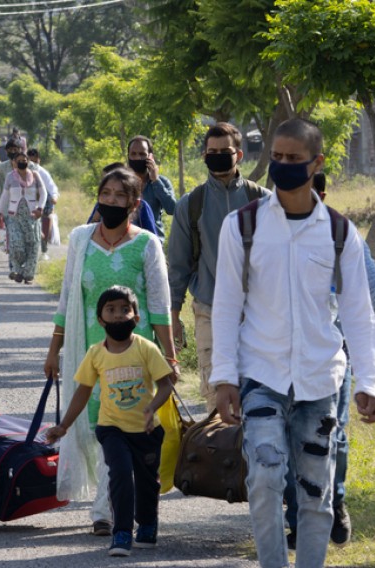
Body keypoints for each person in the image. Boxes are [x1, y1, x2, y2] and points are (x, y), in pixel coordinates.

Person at [211, 118, 375, 568]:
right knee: (265, 480)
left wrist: (369, 381)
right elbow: (226, 304)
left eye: (294, 158)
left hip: (320, 380)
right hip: (261, 376)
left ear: (317, 163)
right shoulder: (242, 225)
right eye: (277, 157)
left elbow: (358, 313)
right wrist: (224, 377)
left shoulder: (339, 232)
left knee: (316, 492)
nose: (283, 165)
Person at [44, 167, 177, 538]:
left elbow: (160, 305)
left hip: (135, 353)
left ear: (135, 204)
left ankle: (106, 510)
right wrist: (54, 350)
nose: (112, 201)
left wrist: (169, 357)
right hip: (91, 349)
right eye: (106, 194)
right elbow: (67, 299)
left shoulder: (147, 244)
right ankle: (111, 505)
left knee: (124, 426)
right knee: (97, 427)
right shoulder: (81, 239)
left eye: (121, 196)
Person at [283, 172, 375, 549]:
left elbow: (374, 286)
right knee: (288, 437)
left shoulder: (341, 237)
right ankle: (299, 518)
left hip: (332, 358)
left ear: (321, 195)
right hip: (281, 358)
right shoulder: (268, 236)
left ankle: (335, 501)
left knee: (332, 436)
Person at [47, 286, 174, 557]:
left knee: (147, 483)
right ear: (100, 319)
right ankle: (122, 532)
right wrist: (64, 425)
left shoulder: (146, 349)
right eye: (111, 309)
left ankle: (147, 525)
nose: (118, 315)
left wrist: (152, 408)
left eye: (125, 309)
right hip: (112, 428)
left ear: (136, 318)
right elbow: (82, 392)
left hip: (146, 431)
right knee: (120, 475)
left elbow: (165, 385)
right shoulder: (96, 354)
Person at [166, 122, 270, 412]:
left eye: (225, 151)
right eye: (212, 152)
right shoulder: (191, 205)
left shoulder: (263, 201)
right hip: (209, 312)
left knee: (259, 398)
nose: (218, 156)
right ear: (204, 156)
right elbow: (178, 266)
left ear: (239, 154)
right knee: (217, 400)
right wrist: (173, 317)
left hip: (258, 315)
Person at [0, 151, 46, 284]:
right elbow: (5, 196)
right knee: (16, 244)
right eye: (19, 161)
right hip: (15, 216)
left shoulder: (35, 175)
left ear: (28, 162)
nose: (22, 163)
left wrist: (40, 208)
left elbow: (43, 193)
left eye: (24, 160)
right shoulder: (10, 177)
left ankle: (28, 274)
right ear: (14, 163)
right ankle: (17, 269)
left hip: (32, 216)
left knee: (32, 244)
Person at [126, 135, 177, 240]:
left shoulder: (162, 182)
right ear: (128, 156)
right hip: (127, 242)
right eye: (133, 154)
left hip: (153, 241)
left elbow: (172, 209)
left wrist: (155, 181)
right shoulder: (120, 183)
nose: (137, 158)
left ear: (150, 157)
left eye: (142, 154)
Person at [27, 148, 59, 260]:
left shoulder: (42, 172)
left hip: (45, 202)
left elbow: (52, 187)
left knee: (45, 222)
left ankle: (44, 249)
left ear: (38, 160)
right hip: (29, 202)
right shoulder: (22, 172)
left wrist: (54, 197)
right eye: (30, 161)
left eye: (34, 160)